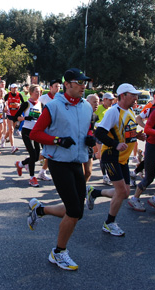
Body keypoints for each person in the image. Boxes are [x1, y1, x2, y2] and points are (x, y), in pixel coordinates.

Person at [27, 68, 94, 271]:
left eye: (85, 83)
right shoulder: (54, 106)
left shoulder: (87, 107)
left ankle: (39, 210)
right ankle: (58, 252)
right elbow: (35, 134)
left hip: (78, 160)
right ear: (67, 84)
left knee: (77, 210)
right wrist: (57, 140)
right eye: (79, 82)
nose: (83, 86)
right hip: (58, 161)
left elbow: (88, 128)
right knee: (74, 210)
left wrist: (91, 137)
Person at [87, 83, 145, 236]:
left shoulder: (130, 111)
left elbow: (126, 131)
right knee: (121, 192)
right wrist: (115, 144)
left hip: (122, 159)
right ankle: (109, 223)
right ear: (123, 96)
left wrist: (137, 135)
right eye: (132, 95)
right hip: (111, 155)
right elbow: (99, 133)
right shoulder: (113, 112)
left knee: (125, 193)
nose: (135, 98)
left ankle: (94, 193)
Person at [13, 84, 43, 187]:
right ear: (31, 92)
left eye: (40, 92)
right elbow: (16, 117)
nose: (38, 94)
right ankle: (32, 178)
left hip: (37, 131)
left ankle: (20, 164)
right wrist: (26, 118)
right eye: (36, 92)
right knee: (33, 153)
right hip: (27, 131)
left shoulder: (41, 104)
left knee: (37, 156)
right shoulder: (26, 104)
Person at [36, 79, 63, 181]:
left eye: (59, 87)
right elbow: (35, 108)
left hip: (56, 128)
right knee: (47, 152)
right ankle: (25, 163)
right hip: (44, 128)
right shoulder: (43, 98)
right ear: (50, 87)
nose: (58, 88)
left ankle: (42, 171)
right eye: (56, 86)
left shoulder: (61, 98)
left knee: (50, 152)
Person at [4, 84, 24, 154]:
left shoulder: (19, 95)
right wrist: (5, 106)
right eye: (13, 88)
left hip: (16, 114)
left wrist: (19, 105)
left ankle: (3, 138)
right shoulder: (7, 95)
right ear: (10, 89)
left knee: (11, 130)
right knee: (11, 130)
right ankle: (13, 147)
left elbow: (24, 104)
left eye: (15, 88)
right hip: (9, 114)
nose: (14, 89)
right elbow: (4, 102)